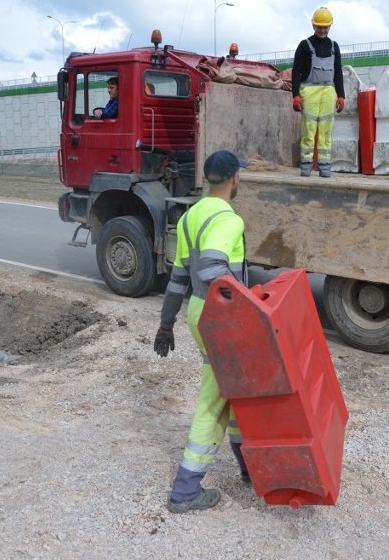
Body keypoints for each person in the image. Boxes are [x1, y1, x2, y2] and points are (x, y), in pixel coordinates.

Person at [153, 149, 249, 514]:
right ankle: (185, 491)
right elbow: (211, 270)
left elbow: (178, 279)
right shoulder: (229, 219)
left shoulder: (191, 216)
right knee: (213, 399)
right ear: (234, 178)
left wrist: (166, 323)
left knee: (233, 392)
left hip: (197, 311)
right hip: (220, 318)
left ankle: (249, 469)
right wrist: (244, 313)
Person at [291, 6, 346, 178]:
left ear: (330, 26)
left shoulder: (334, 46)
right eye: (319, 26)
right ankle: (306, 168)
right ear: (313, 26)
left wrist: (341, 95)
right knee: (308, 130)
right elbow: (296, 71)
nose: (322, 30)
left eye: (325, 27)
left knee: (325, 132)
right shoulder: (304, 46)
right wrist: (296, 95)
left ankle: (325, 168)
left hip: (329, 92)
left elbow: (338, 72)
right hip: (309, 91)